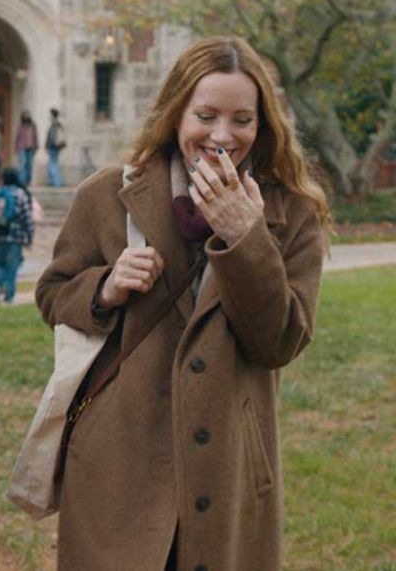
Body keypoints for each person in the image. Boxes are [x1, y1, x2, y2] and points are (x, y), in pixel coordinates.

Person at [35, 36, 330, 571]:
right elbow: (53, 293)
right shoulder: (106, 195)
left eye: (242, 119)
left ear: (263, 124)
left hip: (227, 468)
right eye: (205, 116)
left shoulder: (293, 212)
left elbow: (280, 341)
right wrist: (104, 287)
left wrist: (246, 239)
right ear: (176, 114)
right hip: (117, 464)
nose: (222, 135)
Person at [0, 167, 34, 304]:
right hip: (14, 238)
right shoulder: (20, 194)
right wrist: (29, 237)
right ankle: (9, 297)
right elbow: (27, 218)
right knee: (11, 268)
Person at [15, 110, 39, 186]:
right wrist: (16, 147)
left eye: (27, 116)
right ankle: (21, 181)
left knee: (29, 166)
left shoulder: (33, 125)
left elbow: (35, 137)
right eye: (25, 116)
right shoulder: (20, 126)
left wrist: (36, 146)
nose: (26, 117)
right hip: (21, 147)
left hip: (30, 148)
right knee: (22, 164)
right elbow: (17, 137)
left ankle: (28, 181)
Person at [45, 107, 67, 187]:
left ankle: (57, 182)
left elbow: (51, 138)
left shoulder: (54, 125)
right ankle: (52, 181)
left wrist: (47, 146)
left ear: (52, 115)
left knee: (53, 164)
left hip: (53, 147)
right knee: (52, 164)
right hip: (55, 147)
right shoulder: (57, 125)